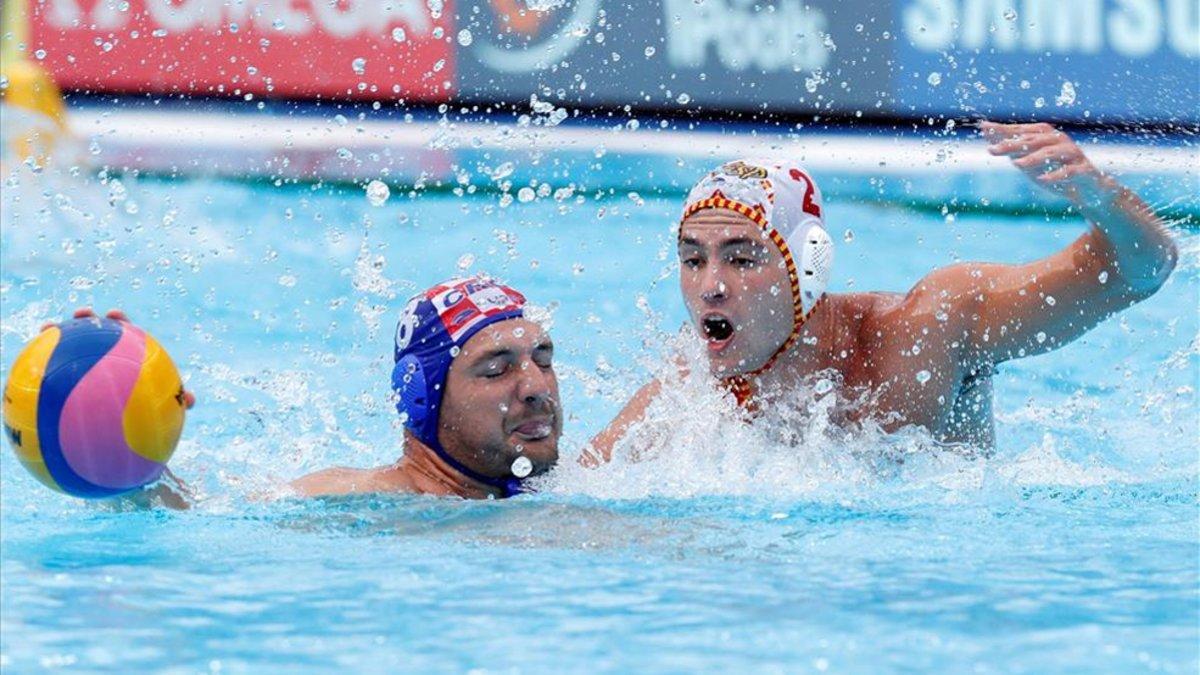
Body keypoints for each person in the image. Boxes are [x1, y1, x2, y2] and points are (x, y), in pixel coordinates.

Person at [587, 121, 1178, 460]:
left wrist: (1101, 197)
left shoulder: (930, 330)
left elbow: (1140, 271)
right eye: (693, 260)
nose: (710, 286)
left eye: (742, 258)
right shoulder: (693, 391)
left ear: (806, 267)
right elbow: (573, 494)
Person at [291, 275, 562, 499]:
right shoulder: (359, 498)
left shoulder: (560, 484)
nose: (538, 387)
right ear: (420, 397)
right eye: (496, 371)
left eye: (543, 361)